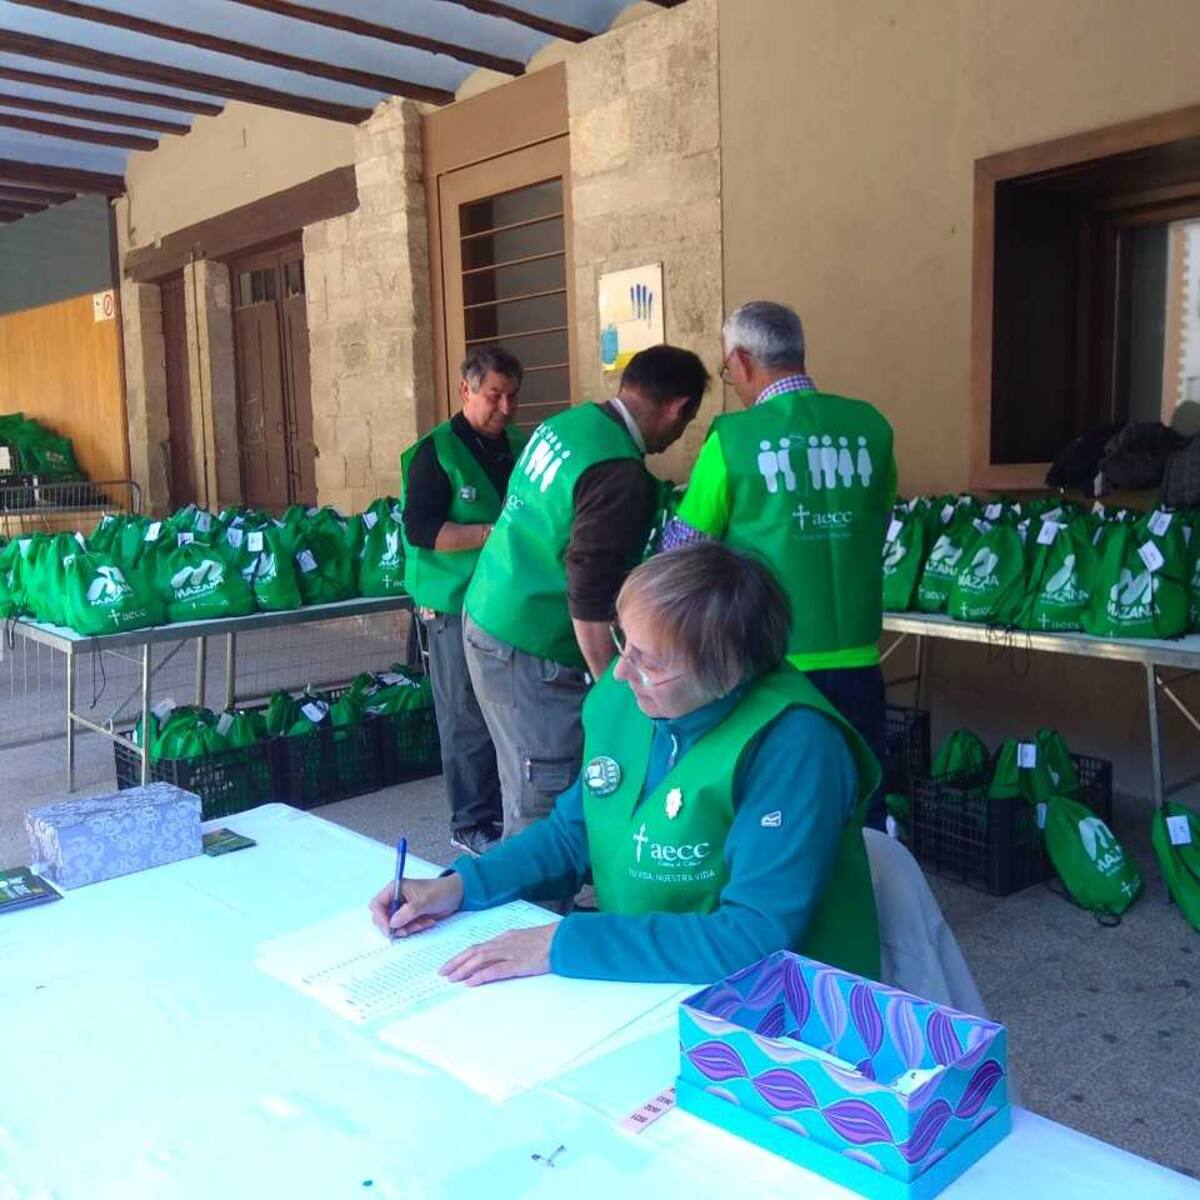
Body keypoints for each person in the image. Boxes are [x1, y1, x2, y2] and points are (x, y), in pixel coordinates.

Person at [370, 543, 881, 985]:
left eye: (649, 662)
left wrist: (564, 944)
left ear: (729, 674)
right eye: (623, 643)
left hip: (778, 1009)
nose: (620, 673)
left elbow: (753, 936)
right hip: (652, 979)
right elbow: (575, 833)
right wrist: (460, 887)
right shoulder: (634, 703)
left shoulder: (796, 745)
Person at [663, 301, 896, 829]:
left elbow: (682, 552)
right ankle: (871, 902)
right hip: (860, 652)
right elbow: (878, 521)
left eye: (727, 370)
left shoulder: (733, 441)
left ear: (743, 361)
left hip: (774, 659)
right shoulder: (872, 428)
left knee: (781, 804)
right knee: (862, 794)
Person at [460, 345, 709, 839]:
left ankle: (536, 891)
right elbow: (590, 593)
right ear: (678, 408)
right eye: (688, 421)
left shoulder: (568, 426)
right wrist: (614, 686)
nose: (681, 434)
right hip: (529, 644)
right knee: (543, 797)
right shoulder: (618, 472)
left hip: (488, 610)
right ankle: (533, 911)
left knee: (521, 778)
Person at [400, 346, 527, 857]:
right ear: (466, 390)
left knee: (513, 710)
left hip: (510, 601)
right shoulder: (436, 453)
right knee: (465, 715)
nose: (505, 408)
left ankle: (512, 813)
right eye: (494, 396)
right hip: (453, 604)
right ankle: (471, 822)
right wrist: (488, 533)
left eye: (513, 397)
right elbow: (422, 528)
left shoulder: (522, 445)